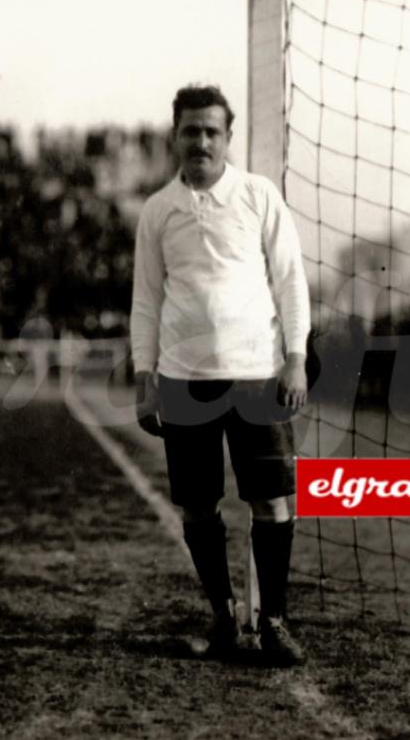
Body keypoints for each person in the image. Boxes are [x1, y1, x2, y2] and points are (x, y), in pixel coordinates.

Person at [130, 84, 310, 666]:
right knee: (198, 507)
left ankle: (275, 621)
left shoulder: (259, 196)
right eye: (190, 130)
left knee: (274, 503)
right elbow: (146, 301)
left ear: (228, 138)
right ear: (174, 137)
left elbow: (290, 282)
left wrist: (297, 357)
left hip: (257, 374)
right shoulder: (159, 211)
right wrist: (144, 375)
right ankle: (223, 617)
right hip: (185, 379)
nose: (201, 141)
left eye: (211, 131)